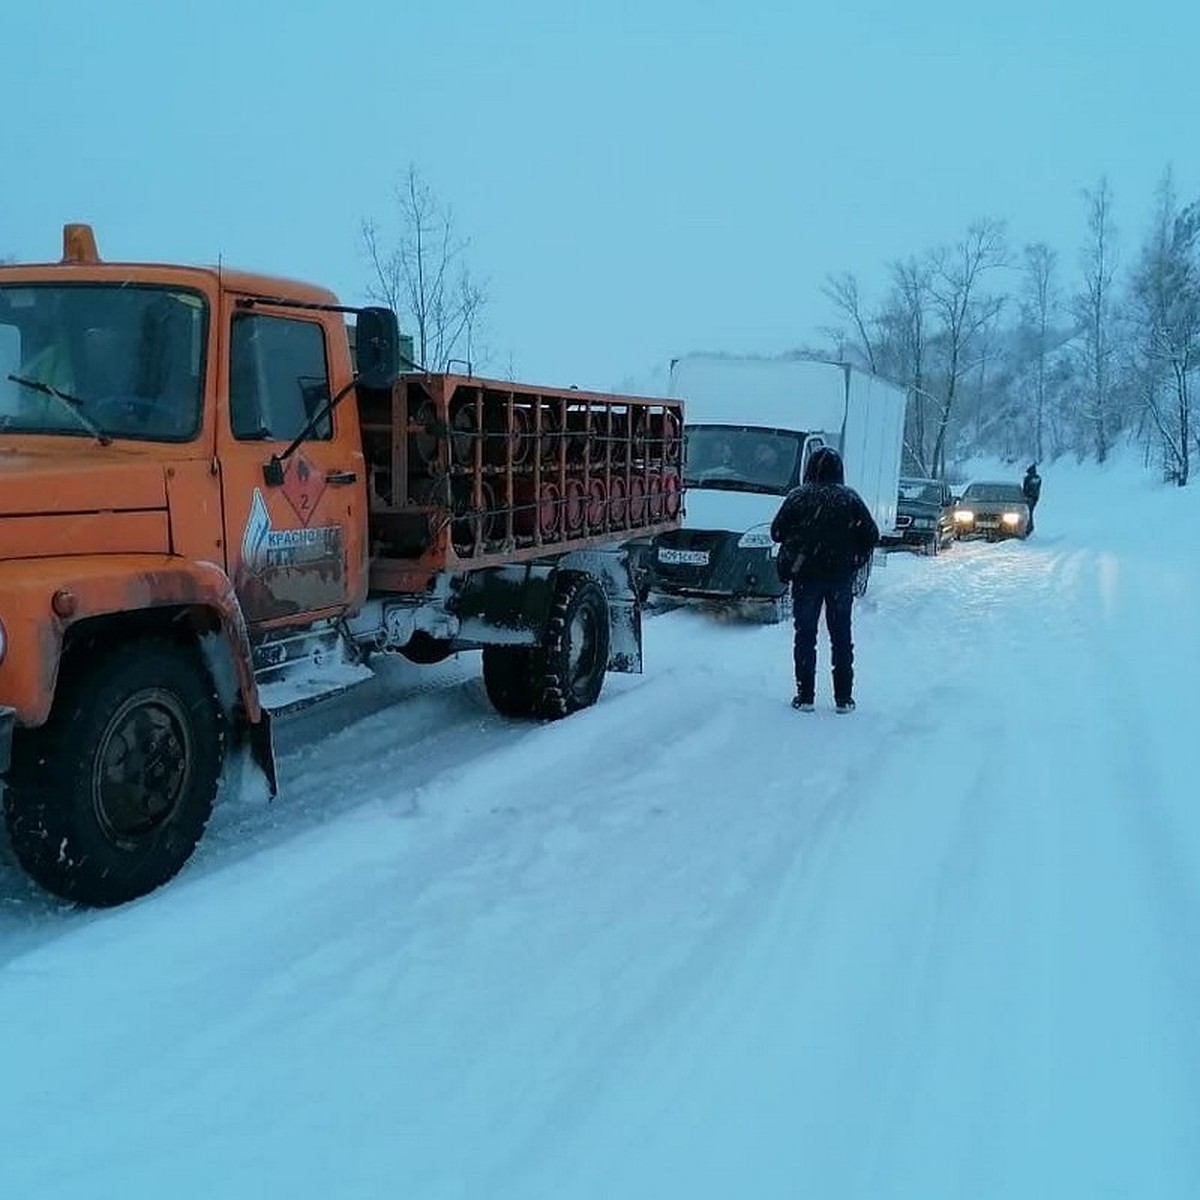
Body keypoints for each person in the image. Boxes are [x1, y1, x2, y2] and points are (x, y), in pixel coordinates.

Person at [770, 446, 879, 713]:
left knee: (805, 636)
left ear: (810, 469)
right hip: (840, 579)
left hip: (806, 578)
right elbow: (872, 535)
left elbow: (776, 532)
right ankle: (844, 698)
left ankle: (805, 696)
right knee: (841, 637)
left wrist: (801, 542)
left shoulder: (798, 497)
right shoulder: (849, 499)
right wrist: (853, 558)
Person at [1022, 462, 1042, 534]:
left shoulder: (1027, 478)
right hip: (1035, 498)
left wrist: (1024, 497)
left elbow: (1024, 489)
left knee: (1028, 513)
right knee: (1030, 512)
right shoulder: (1038, 478)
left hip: (1028, 498)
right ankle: (1030, 528)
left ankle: (1028, 528)